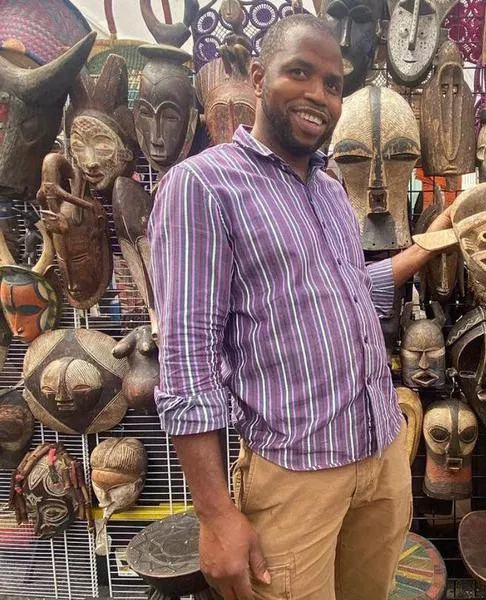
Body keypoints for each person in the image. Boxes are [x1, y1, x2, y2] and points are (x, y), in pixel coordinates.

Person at [148, 13, 452, 600]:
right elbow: (188, 361)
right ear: (259, 77)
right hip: (297, 475)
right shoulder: (202, 188)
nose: (319, 95)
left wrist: (422, 250)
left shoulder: (331, 187)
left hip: (382, 454)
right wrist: (214, 515)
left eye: (333, 83)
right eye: (300, 73)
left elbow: (343, 291)